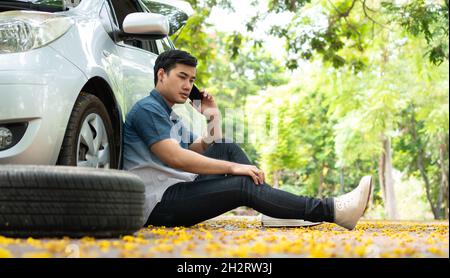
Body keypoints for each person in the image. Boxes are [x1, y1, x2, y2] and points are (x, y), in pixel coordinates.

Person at [123, 49, 372, 230]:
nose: (188, 85)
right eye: (182, 77)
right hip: (159, 204)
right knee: (243, 183)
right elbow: (176, 157)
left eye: (192, 80)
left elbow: (201, 147)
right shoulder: (148, 110)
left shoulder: (169, 113)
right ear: (161, 75)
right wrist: (234, 167)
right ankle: (333, 210)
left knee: (226, 146)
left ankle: (275, 210)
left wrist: (213, 116)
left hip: (176, 188)